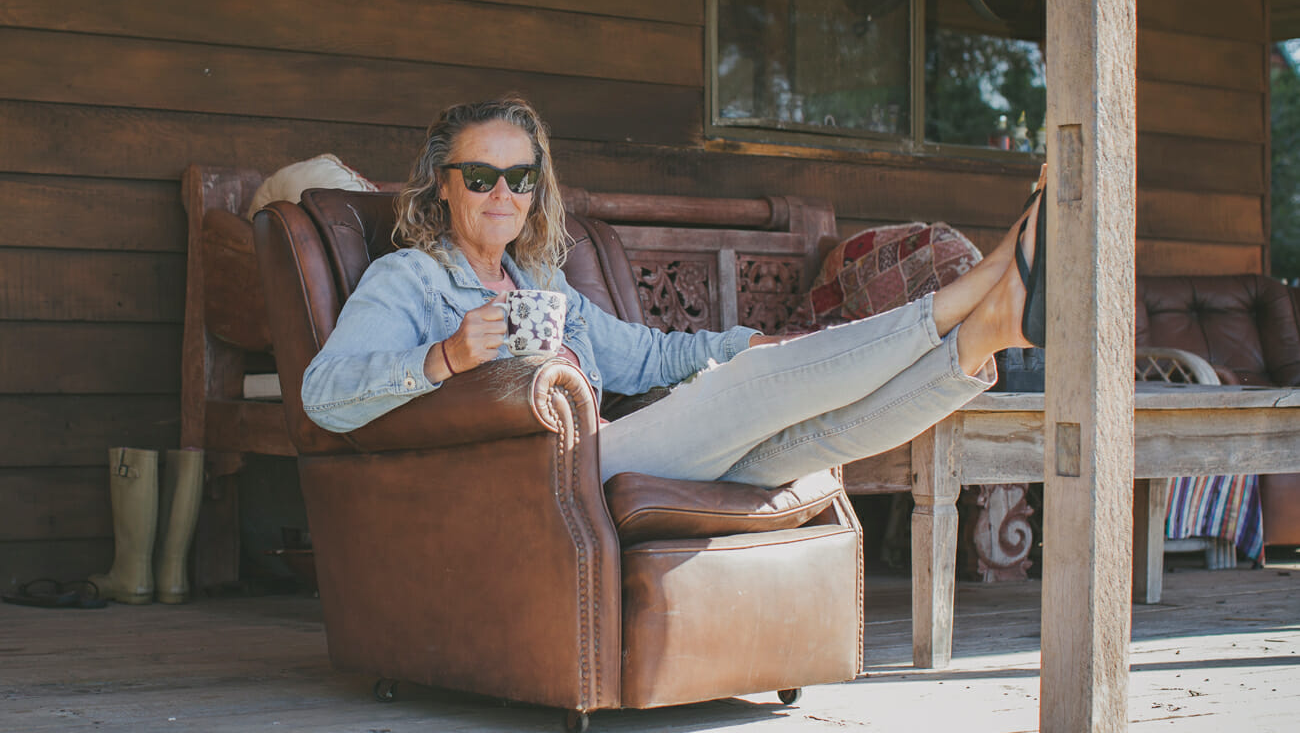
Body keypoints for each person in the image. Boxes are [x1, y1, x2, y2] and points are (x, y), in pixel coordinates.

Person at [300, 96, 1044, 488]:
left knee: (807, 444)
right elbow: (323, 394)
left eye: (521, 177)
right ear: (443, 183)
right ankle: (979, 281)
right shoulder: (410, 278)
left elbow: (648, 355)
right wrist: (445, 357)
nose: (504, 193)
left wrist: (748, 344)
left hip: (592, 466)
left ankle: (989, 330)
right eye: (481, 176)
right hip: (535, 476)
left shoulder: (542, 284)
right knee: (747, 390)